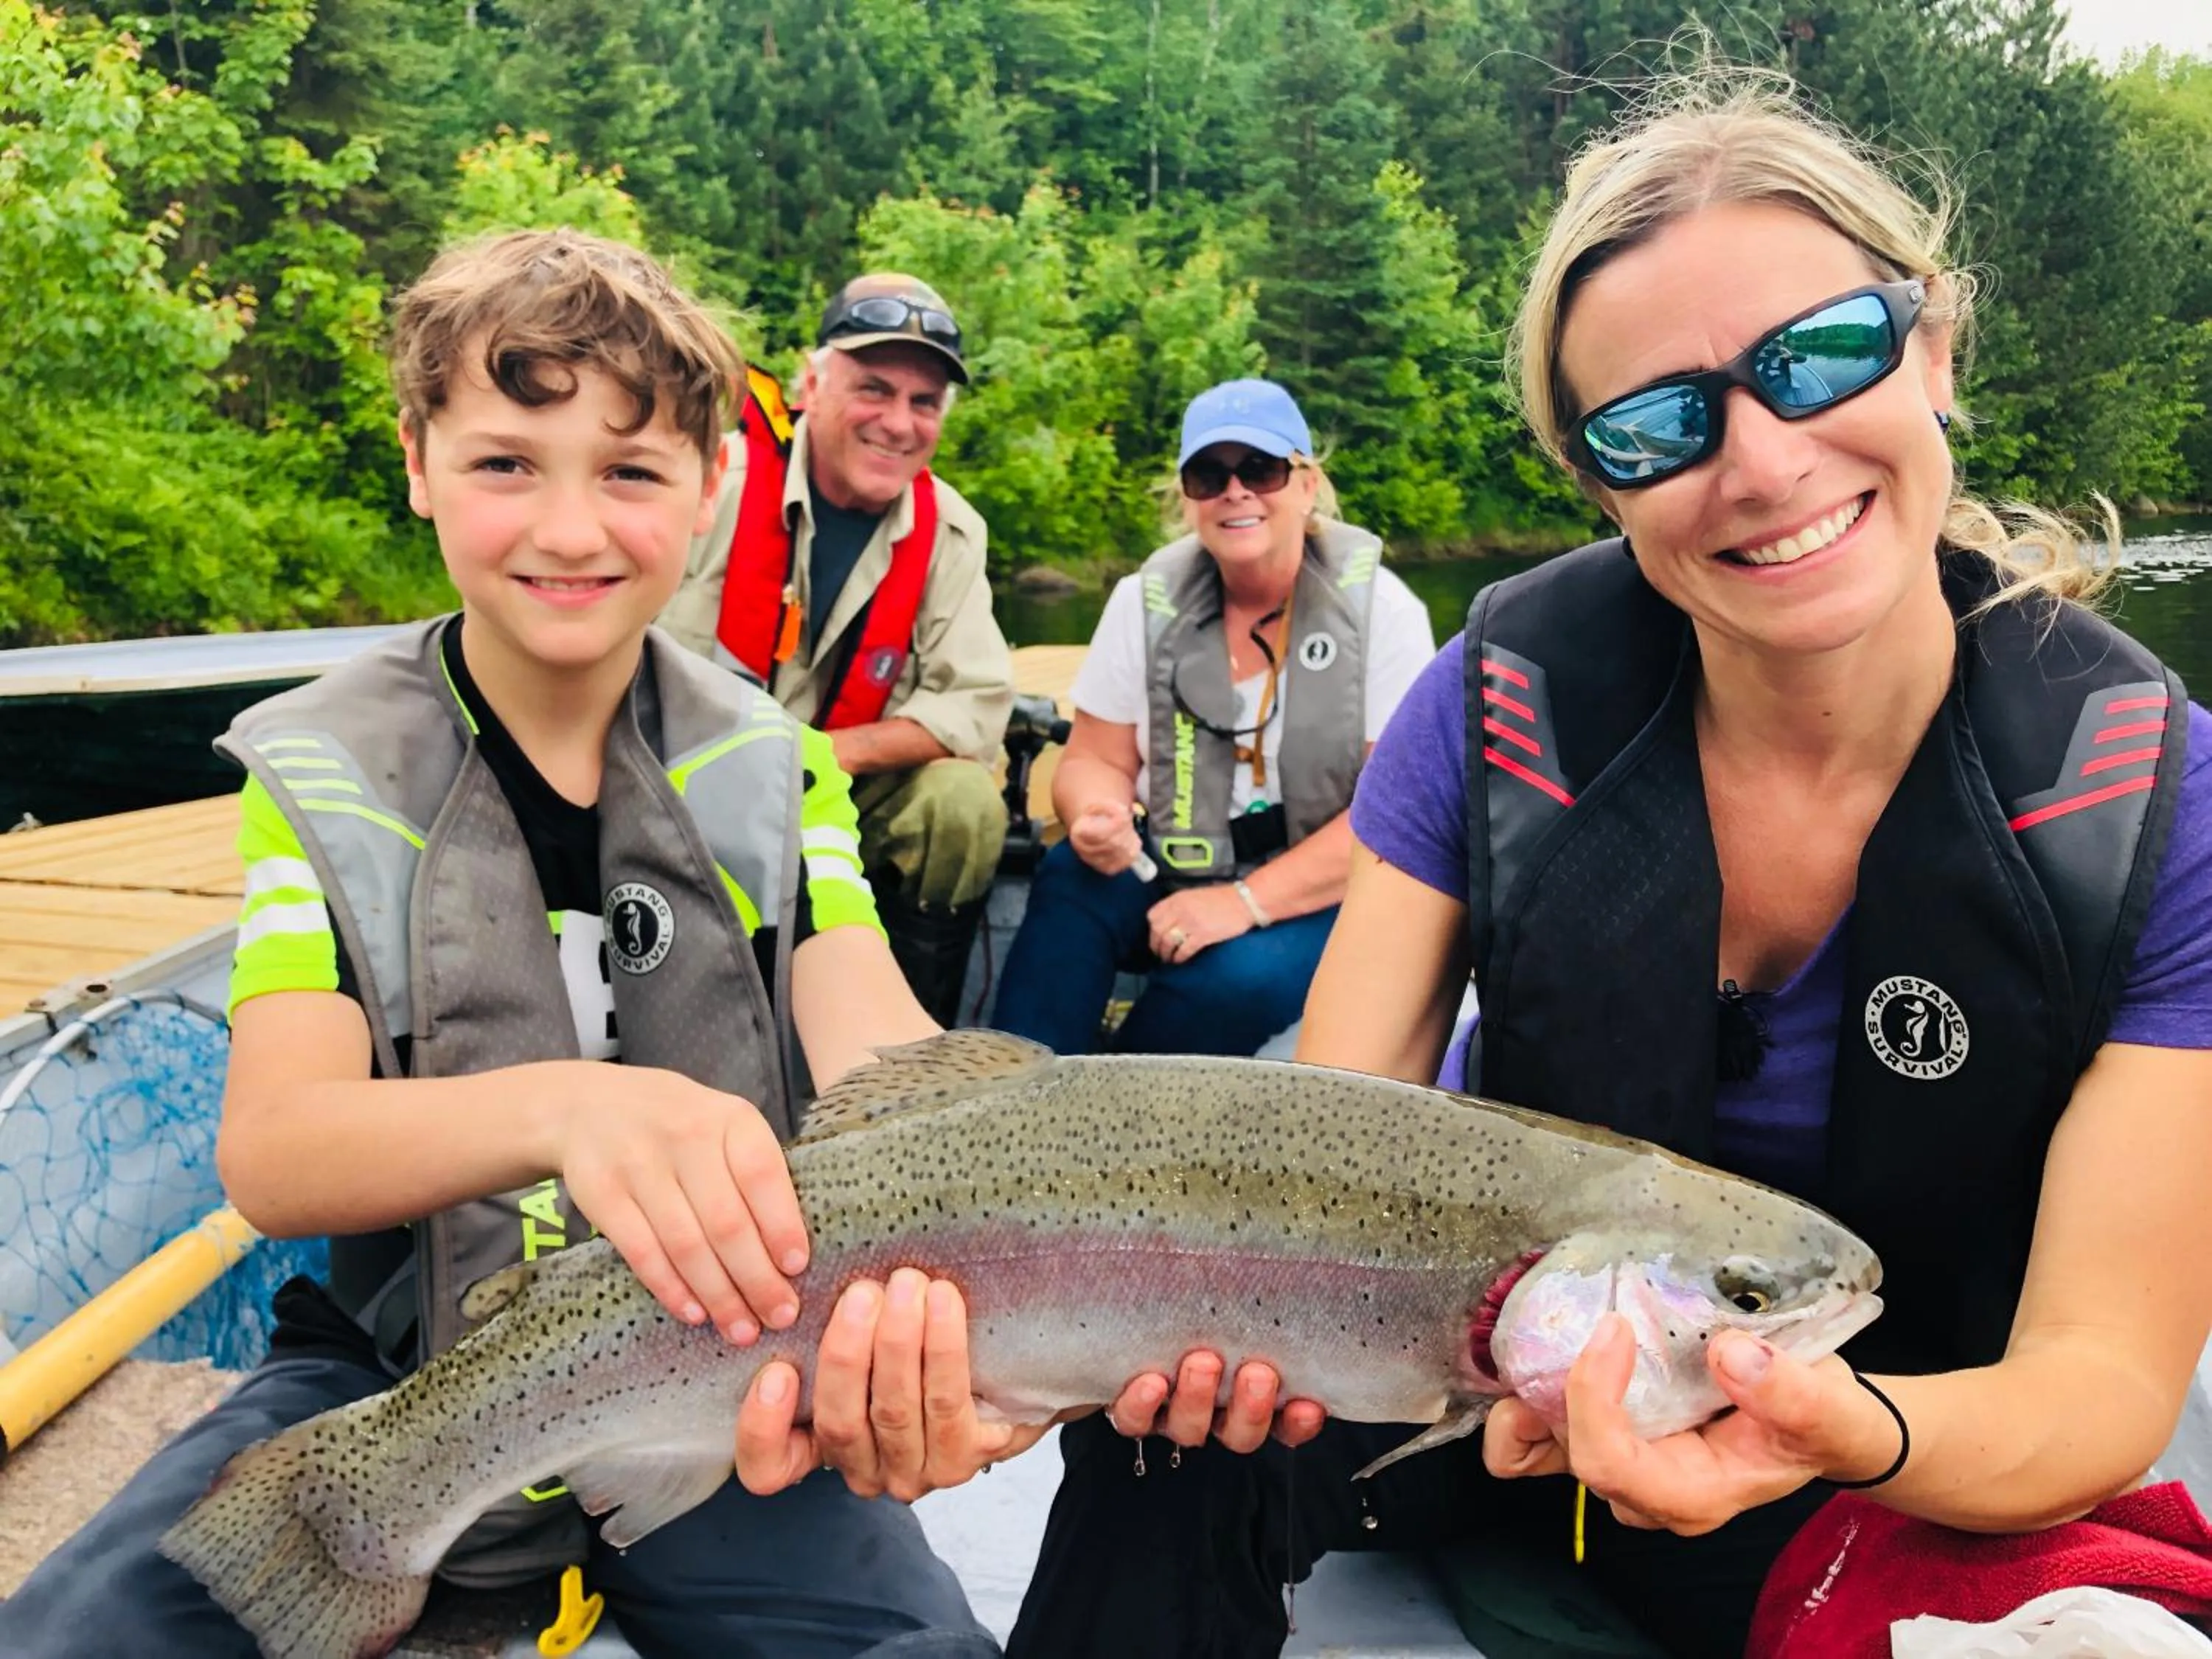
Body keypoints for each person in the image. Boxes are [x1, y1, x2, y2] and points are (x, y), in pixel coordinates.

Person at [1000, 74, 2212, 1659]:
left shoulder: (2152, 802)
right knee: (1162, 1443)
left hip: (1901, 1455)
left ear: (1933, 345)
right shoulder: (1503, 701)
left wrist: (1848, 1435)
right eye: (1659, 423)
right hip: (1480, 1380)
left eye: (1823, 353)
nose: (1764, 462)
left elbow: (2105, 1386)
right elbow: (1312, 1148)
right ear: (1598, 481)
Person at [0, 229, 1002, 1659]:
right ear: (418, 463)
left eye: (633, 472)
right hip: (392, 1368)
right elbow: (275, 1155)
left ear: (714, 490)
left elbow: (890, 1059)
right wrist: (569, 1108)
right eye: (506, 463)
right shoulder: (324, 775)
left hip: (718, 1378)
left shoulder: (782, 773)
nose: (573, 529)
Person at [988, 378, 1435, 1057]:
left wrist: (1243, 904)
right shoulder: (1143, 602)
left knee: (1233, 980)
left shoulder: (1385, 613)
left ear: (1307, 485)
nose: (1236, 492)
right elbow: (1093, 760)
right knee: (1069, 879)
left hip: (1318, 892)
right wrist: (1094, 814)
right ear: (1188, 498)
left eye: (1261, 469)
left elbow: (1389, 823)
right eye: (1209, 474)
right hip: (1170, 866)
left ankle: (1117, 1119)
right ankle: (1012, 1097)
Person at [660, 274, 1014, 1026]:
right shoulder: (705, 485)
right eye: (874, 390)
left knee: (964, 802)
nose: (899, 423)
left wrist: (818, 756)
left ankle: (915, 1060)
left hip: (836, 787)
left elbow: (973, 711)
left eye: (924, 404)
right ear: (810, 386)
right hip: (676, 785)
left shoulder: (952, 531)